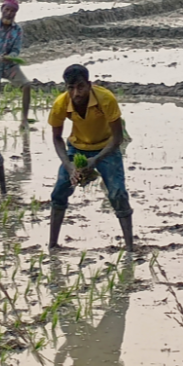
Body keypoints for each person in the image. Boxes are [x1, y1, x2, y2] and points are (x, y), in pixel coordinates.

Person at [48, 64, 134, 252]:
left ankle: (129, 247)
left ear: (89, 84)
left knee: (117, 193)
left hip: (106, 148)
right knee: (59, 191)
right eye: (70, 88)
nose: (76, 93)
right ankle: (52, 245)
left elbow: (118, 138)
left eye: (80, 87)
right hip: (77, 148)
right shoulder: (61, 104)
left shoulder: (106, 99)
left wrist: (94, 161)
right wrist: (70, 167)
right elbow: (56, 138)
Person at [0, 0, 32, 129]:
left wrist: (11, 57)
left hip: (10, 66)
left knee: (26, 85)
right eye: (7, 10)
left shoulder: (17, 30)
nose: (9, 13)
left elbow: (16, 49)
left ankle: (24, 121)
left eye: (13, 11)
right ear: (2, 10)